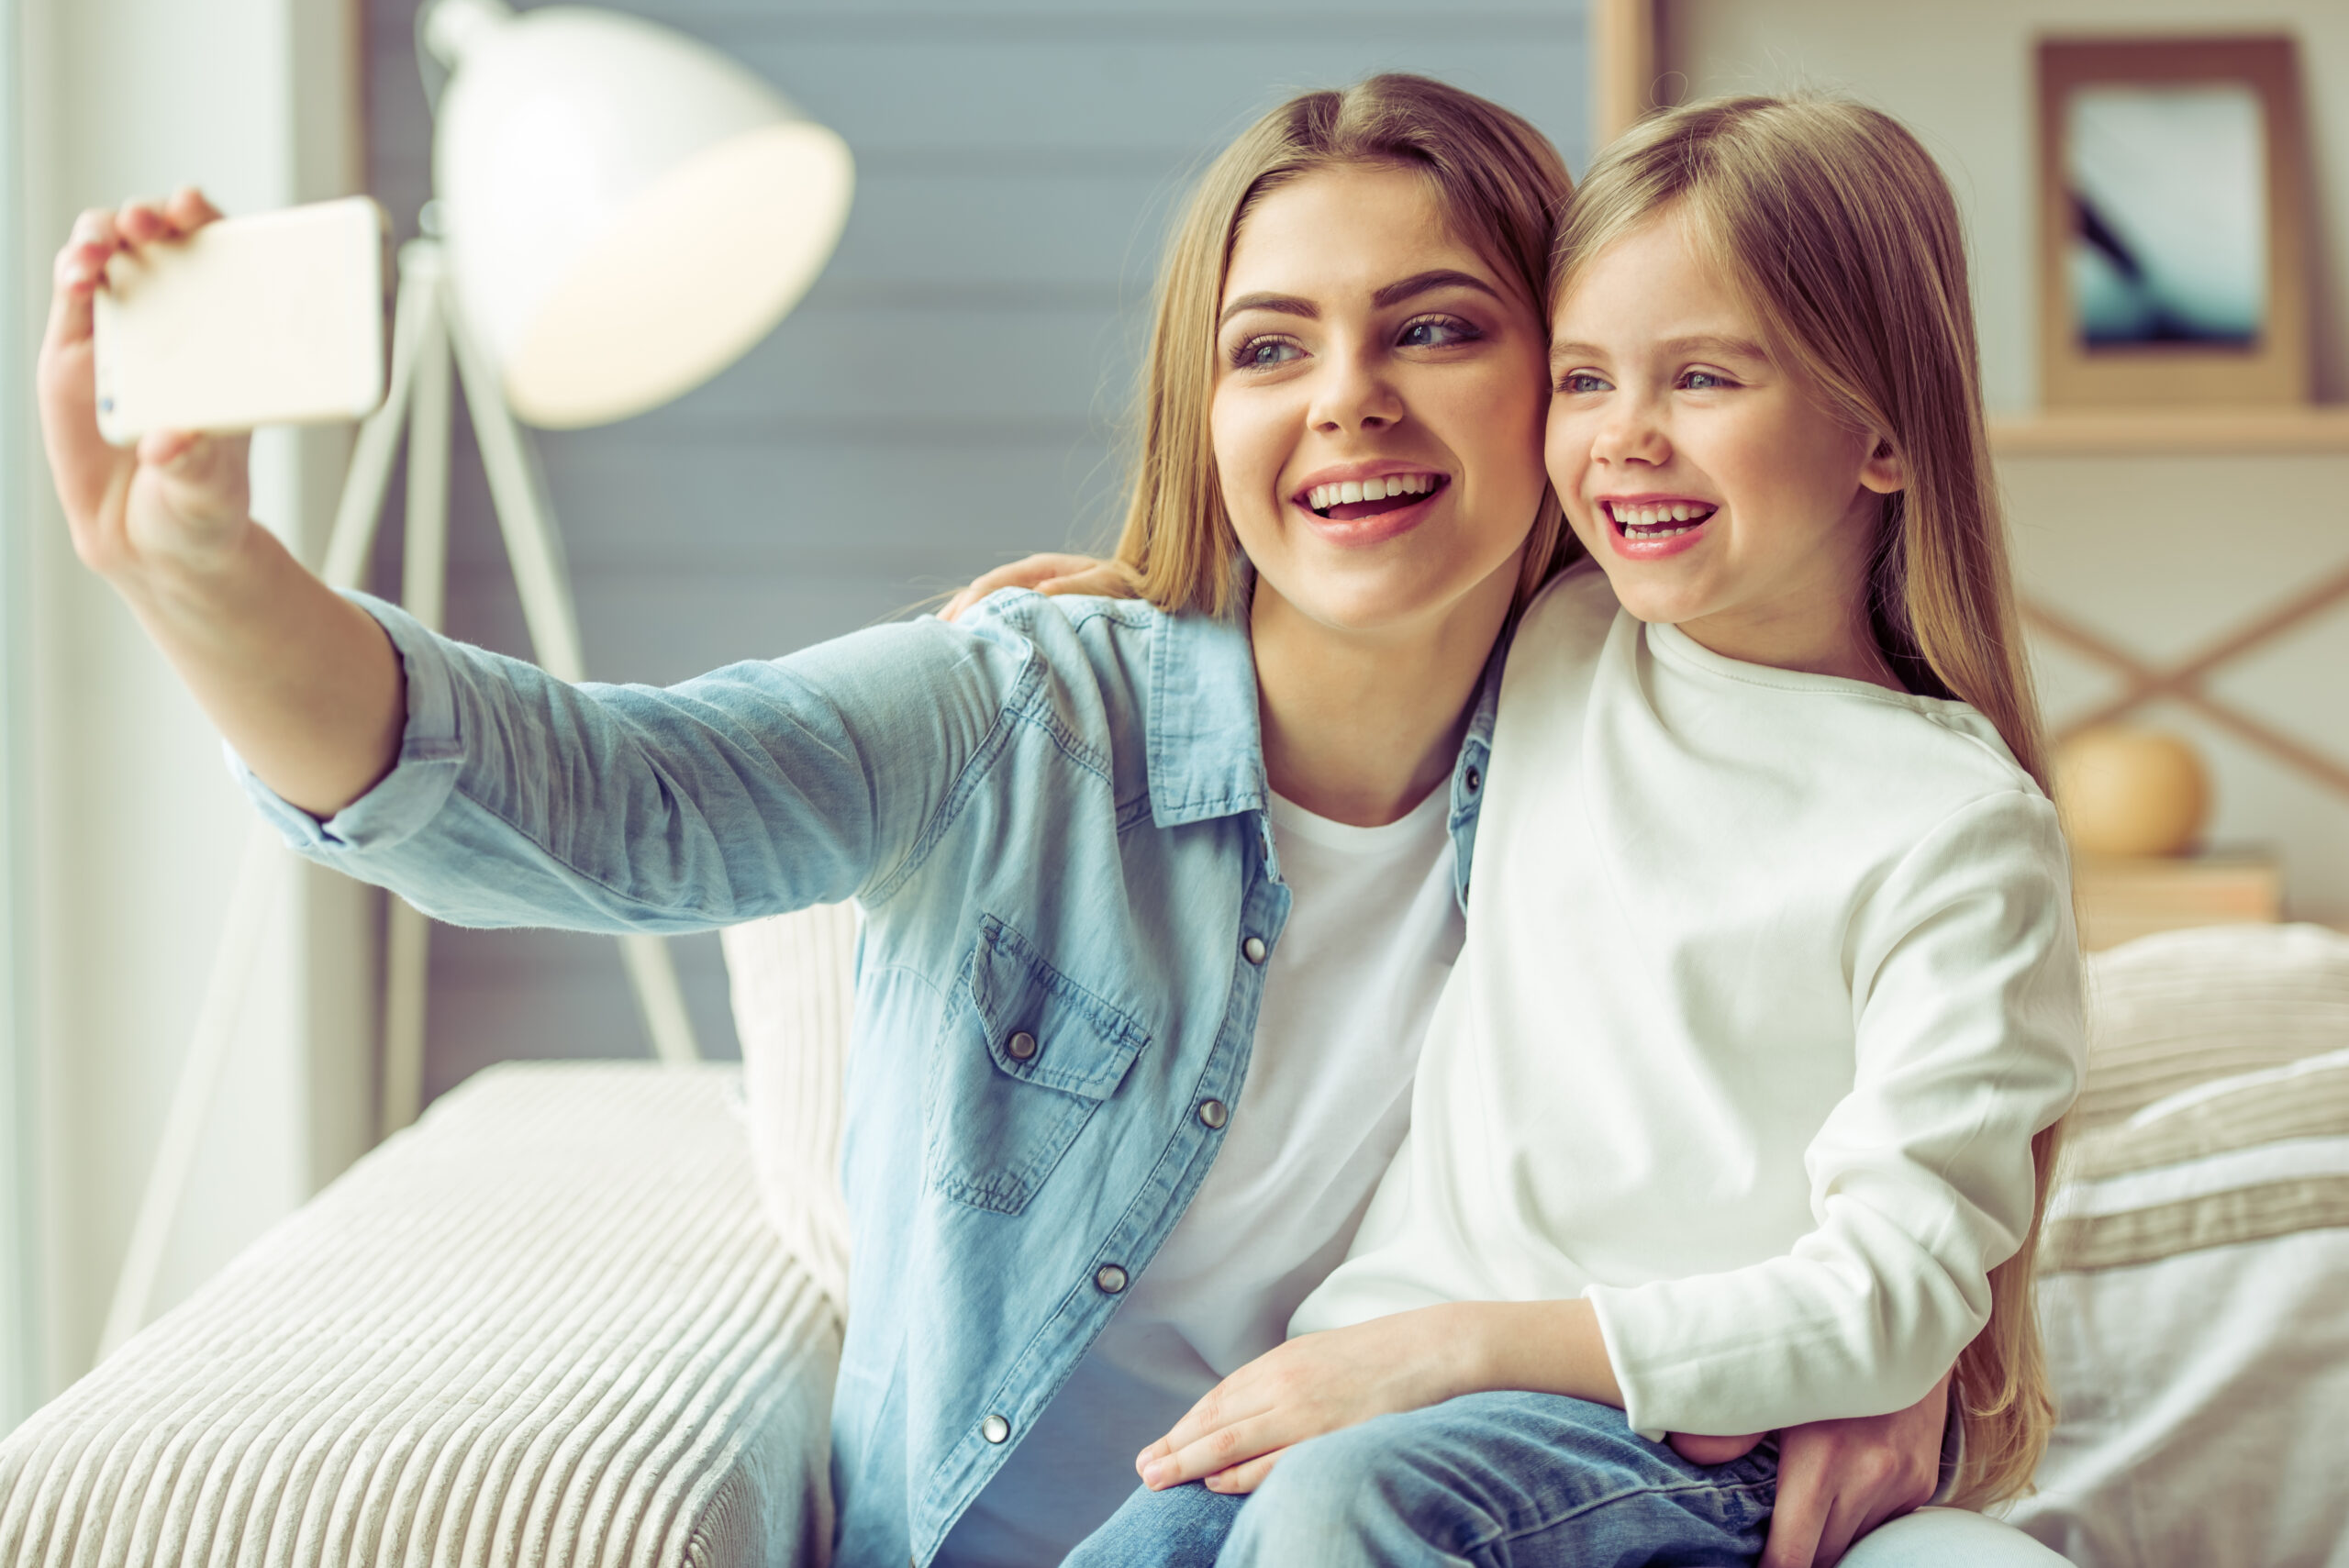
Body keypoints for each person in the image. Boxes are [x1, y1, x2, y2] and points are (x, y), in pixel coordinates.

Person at [39, 77, 2027, 1567]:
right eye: (1269, 345)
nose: (1345, 397)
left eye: (1436, 327)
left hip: (1466, 1486)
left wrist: (1890, 1356)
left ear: (1541, 388)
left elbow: (1850, 978)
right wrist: (207, 576)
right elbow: (600, 797)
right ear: (1205, 403)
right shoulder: (1019, 713)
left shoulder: (1625, 687)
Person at [1045, 95, 2083, 1566]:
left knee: (1355, 1506)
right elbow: (1357, 545)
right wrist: (1120, 594)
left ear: (1886, 434)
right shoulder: (1559, 634)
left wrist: (1464, 1350)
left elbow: (1895, 1294)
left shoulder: (1957, 827)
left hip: (1647, 1438)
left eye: (1706, 375)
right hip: (1363, 1392)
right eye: (1585, 378)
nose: (1626, 440)